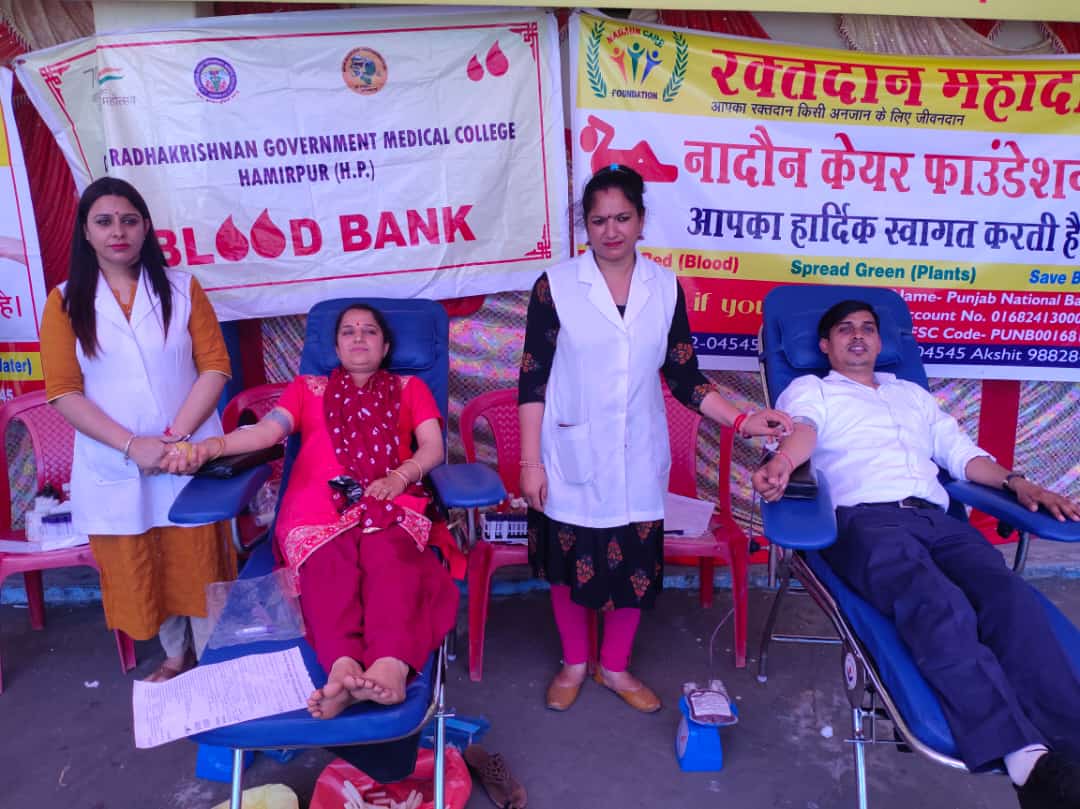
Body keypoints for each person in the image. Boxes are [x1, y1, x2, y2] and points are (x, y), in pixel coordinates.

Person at [753, 299, 1080, 809]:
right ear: (824, 346)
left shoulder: (913, 396)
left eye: (868, 329)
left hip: (936, 520)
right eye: (845, 330)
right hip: (866, 522)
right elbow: (804, 431)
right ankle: (1025, 760)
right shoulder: (812, 388)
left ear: (883, 344)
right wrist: (782, 463)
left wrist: (1022, 484)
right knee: (934, 601)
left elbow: (962, 455)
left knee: (1009, 598)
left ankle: (1072, 748)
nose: (858, 337)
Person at [519, 164, 791, 714]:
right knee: (568, 565)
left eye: (623, 217)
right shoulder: (555, 286)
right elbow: (532, 377)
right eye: (599, 220)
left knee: (633, 568)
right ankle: (575, 663)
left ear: (642, 220)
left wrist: (741, 419)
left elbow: (685, 378)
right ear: (585, 226)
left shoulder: (664, 286)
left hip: (638, 454)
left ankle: (614, 666)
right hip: (568, 451)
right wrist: (531, 462)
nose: (611, 230)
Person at [177, 303, 458, 720]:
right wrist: (212, 446)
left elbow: (434, 447)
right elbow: (267, 432)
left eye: (369, 332)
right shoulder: (307, 388)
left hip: (389, 495)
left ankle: (391, 665)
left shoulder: (409, 388)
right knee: (328, 565)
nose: (359, 338)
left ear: (385, 348)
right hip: (318, 507)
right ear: (336, 347)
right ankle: (342, 666)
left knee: (391, 557)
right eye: (348, 331)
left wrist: (400, 478)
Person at [40, 176, 235, 682]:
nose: (117, 232)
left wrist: (175, 440)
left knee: (199, 559)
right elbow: (63, 391)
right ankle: (175, 657)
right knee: (146, 556)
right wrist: (132, 445)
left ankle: (215, 662)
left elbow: (214, 365)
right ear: (86, 232)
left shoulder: (181, 287)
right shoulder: (64, 302)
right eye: (104, 221)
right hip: (117, 462)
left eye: (129, 220)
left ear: (146, 227)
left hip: (187, 453)